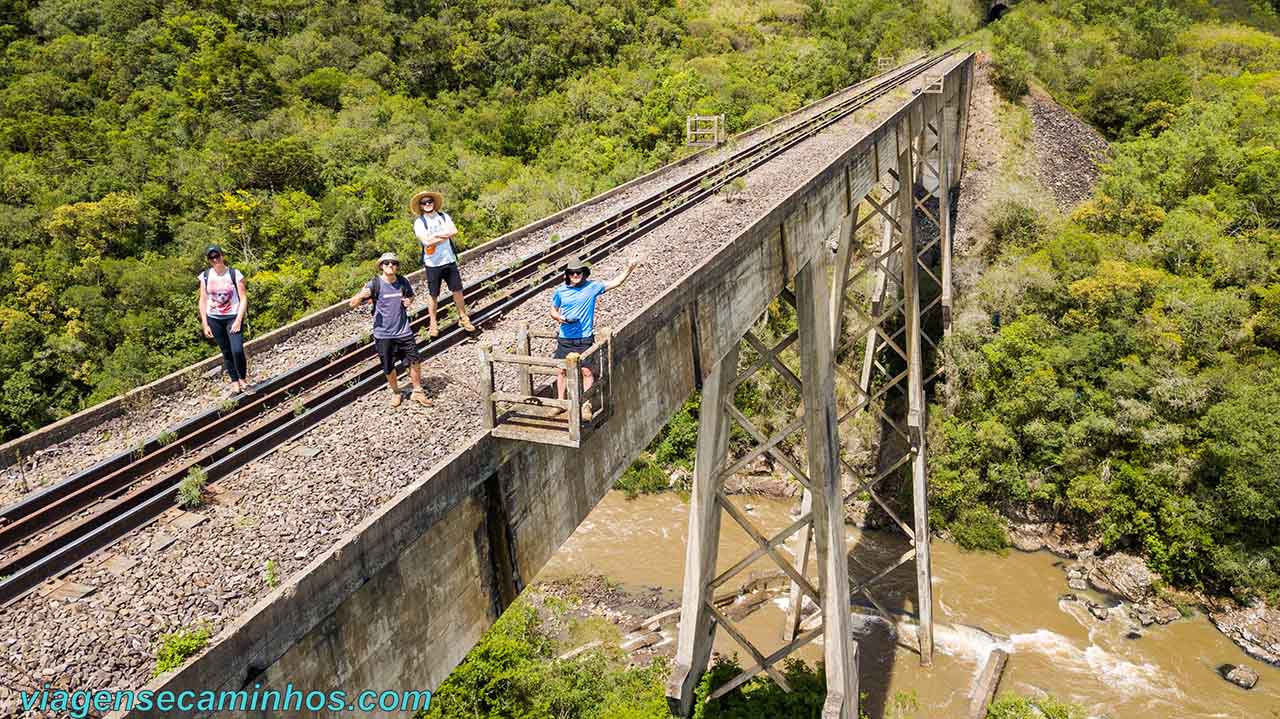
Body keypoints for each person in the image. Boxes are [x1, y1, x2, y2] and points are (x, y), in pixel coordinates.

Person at [549, 256, 636, 420]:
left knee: (587, 372)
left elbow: (615, 283)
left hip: (584, 338)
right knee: (560, 371)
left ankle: (585, 405)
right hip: (565, 338)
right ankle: (559, 404)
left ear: (584, 273)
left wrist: (629, 269)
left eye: (578, 272)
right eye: (572, 273)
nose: (576, 275)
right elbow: (553, 309)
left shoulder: (592, 287)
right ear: (568, 275)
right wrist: (558, 317)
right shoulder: (560, 291)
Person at [350, 252, 432, 408]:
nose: (390, 266)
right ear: (381, 266)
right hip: (383, 334)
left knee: (414, 360)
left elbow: (410, 296)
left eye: (393, 263)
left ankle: (418, 391)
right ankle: (396, 392)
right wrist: (361, 296)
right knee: (388, 366)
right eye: (387, 263)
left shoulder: (402, 282)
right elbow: (352, 304)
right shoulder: (374, 284)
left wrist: (409, 301)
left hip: (404, 331)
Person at [410, 190, 476, 338]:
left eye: (429, 201)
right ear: (420, 206)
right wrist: (444, 236)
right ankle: (433, 324)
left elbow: (454, 231)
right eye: (424, 202)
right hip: (433, 263)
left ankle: (463, 317)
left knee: (457, 290)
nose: (427, 204)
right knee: (433, 294)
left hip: (449, 259)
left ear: (434, 203)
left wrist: (435, 236)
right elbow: (426, 241)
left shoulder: (443, 216)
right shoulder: (420, 222)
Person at [197, 245, 250, 393]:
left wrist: (239, 319)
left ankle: (242, 378)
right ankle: (234, 381)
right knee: (226, 352)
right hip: (214, 318)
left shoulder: (234, 274)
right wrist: (205, 323)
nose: (215, 260)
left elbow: (243, 298)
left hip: (233, 316)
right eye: (212, 258)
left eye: (217, 256)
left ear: (222, 255)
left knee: (237, 350)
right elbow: (203, 300)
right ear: (209, 260)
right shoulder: (205, 276)